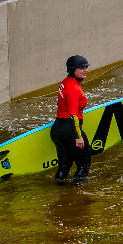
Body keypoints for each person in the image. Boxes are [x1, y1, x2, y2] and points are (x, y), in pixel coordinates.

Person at [52, 54, 92, 184]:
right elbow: (73, 115)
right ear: (72, 70)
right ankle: (78, 197)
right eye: (81, 68)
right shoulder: (74, 88)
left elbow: (60, 104)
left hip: (57, 129)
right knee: (84, 165)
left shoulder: (65, 82)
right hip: (70, 130)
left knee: (64, 167)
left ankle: (59, 193)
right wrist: (78, 136)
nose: (85, 70)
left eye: (86, 67)